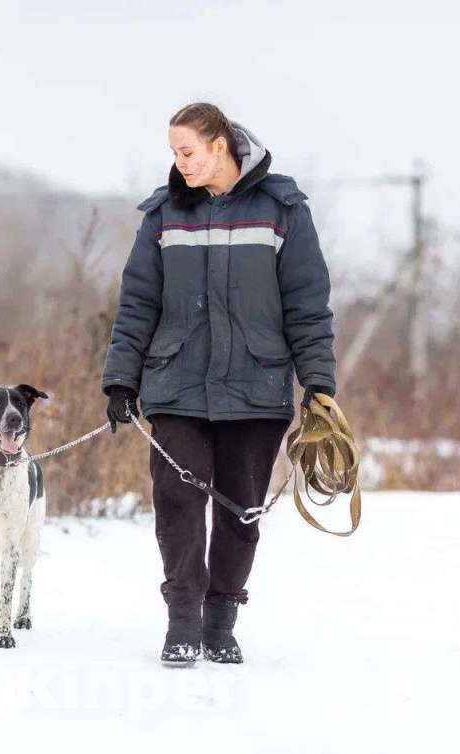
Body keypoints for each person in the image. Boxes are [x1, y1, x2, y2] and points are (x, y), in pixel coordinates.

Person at [100, 102, 337, 664]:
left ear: (220, 145)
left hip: (257, 387)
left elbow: (308, 306)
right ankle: (182, 620)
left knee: (239, 508)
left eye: (188, 151)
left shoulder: (282, 210)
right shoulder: (164, 215)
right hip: (175, 382)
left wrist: (319, 387)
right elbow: (138, 302)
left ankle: (221, 621)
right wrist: (120, 379)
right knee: (177, 498)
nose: (179, 163)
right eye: (174, 153)